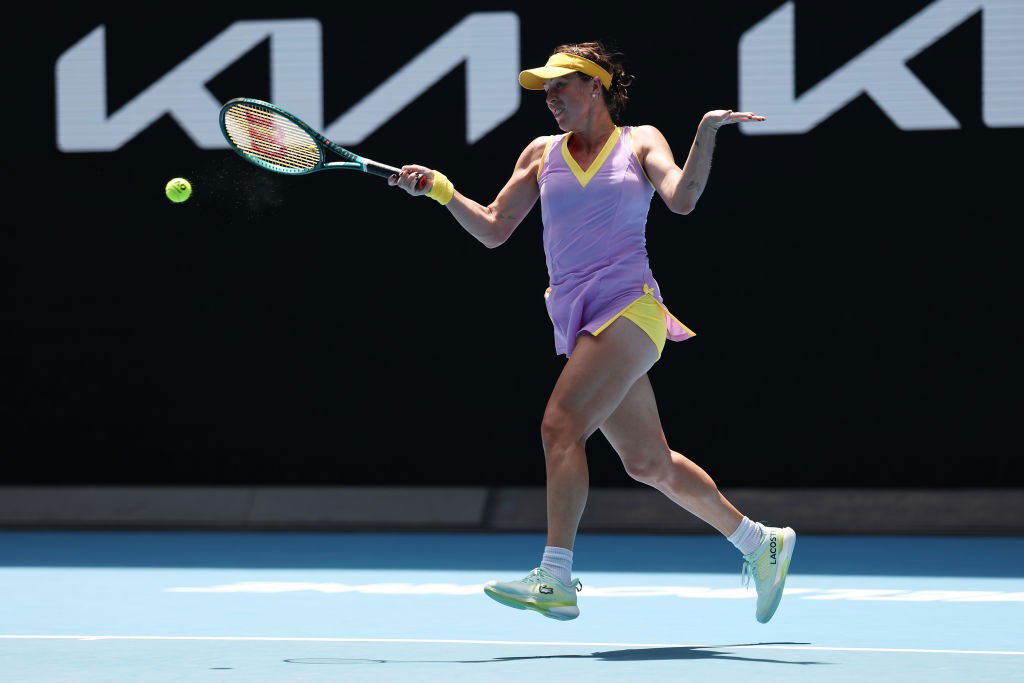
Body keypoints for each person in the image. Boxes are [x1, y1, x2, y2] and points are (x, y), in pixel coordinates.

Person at [388, 42, 795, 624]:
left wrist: (705, 132)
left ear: (595, 87)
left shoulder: (640, 140)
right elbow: (496, 229)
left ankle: (555, 576)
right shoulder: (540, 153)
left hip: (630, 310)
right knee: (649, 463)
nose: (550, 99)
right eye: (545, 90)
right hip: (580, 318)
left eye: (561, 87)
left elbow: (682, 199)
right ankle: (762, 544)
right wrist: (441, 191)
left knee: (560, 425)